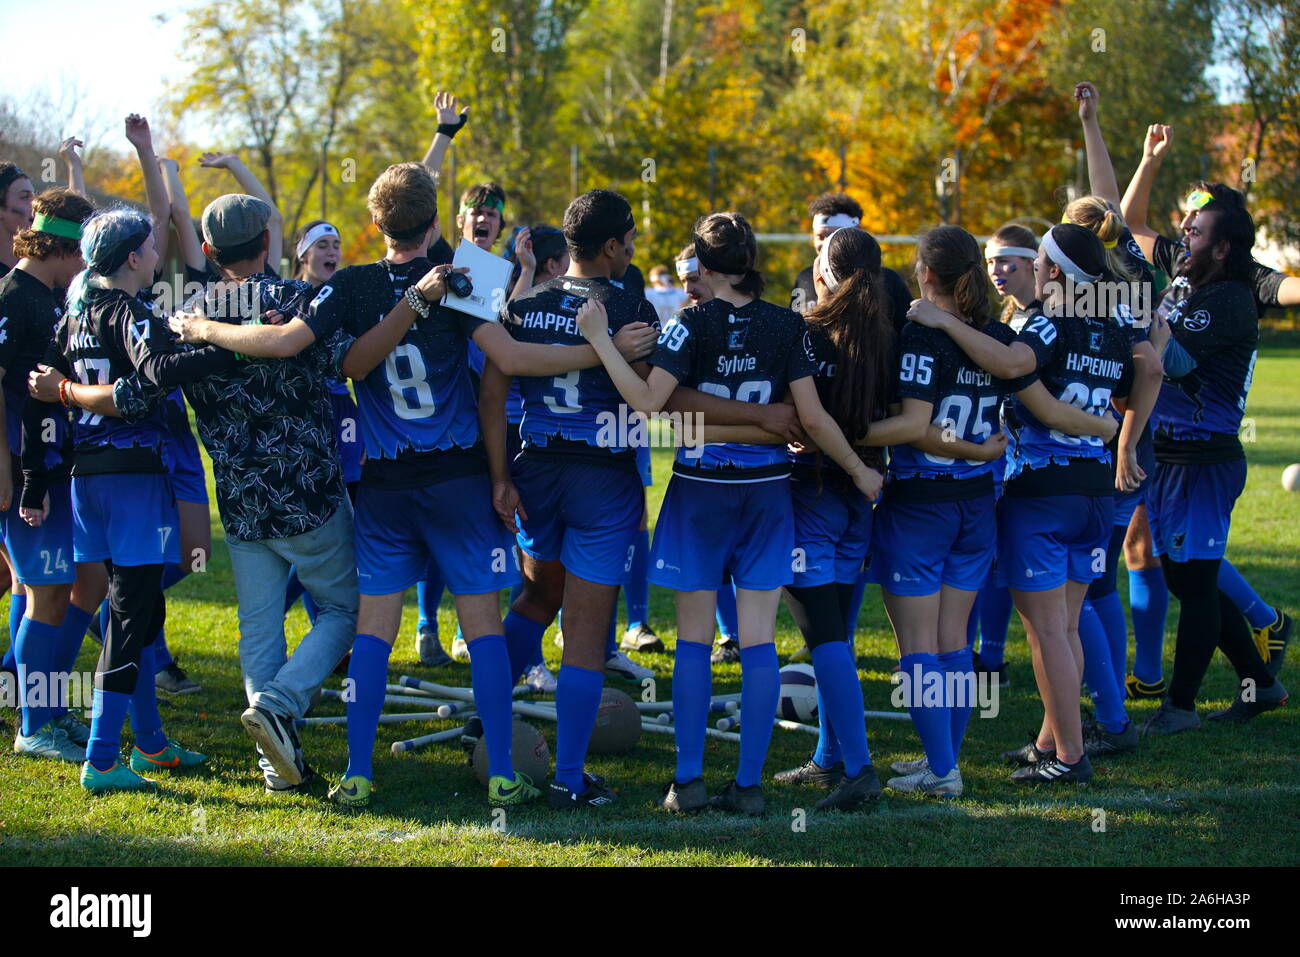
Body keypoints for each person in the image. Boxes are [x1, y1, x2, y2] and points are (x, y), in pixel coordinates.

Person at [176, 165, 654, 808]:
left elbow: (313, 351)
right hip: (459, 476)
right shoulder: (467, 272)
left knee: (374, 628)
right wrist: (600, 351)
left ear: (374, 225)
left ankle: (358, 772)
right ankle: (507, 777)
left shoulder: (349, 283)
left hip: (383, 483)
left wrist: (202, 327)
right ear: (436, 221)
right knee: (482, 623)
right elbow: (507, 365)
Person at [576, 211, 883, 815]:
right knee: (761, 644)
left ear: (706, 266)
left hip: (701, 492)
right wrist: (859, 469)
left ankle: (687, 782)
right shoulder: (786, 325)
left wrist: (599, 342)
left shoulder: (691, 323)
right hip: (767, 494)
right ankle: (748, 786)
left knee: (693, 644)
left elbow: (646, 403)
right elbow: (812, 420)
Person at [58, 195, 361, 794]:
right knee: (348, 610)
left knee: (258, 629)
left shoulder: (184, 315)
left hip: (242, 500)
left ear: (206, 251)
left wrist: (67, 391)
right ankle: (281, 705)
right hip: (310, 493)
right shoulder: (294, 301)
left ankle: (277, 765)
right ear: (268, 245)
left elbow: (150, 390)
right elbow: (345, 363)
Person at [909, 223, 1133, 784]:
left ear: (1051, 270)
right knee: (1066, 625)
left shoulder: (1046, 322)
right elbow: (1148, 368)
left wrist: (941, 321)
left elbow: (1012, 367)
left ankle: (1070, 758)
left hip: (1042, 492)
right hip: (1094, 493)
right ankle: (1051, 740)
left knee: (1048, 632)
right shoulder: (1107, 325)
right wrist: (1117, 432)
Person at [44, 204, 221, 792]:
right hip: (131, 480)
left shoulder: (76, 310)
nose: (155, 254)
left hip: (86, 478)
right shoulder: (123, 309)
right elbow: (156, 376)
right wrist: (230, 346)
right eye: (148, 247)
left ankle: (149, 744)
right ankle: (100, 758)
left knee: (140, 613)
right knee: (128, 615)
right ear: (129, 258)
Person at [1122, 125, 1294, 677]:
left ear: (1222, 238)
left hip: (1203, 448)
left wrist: (1140, 325)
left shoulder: (1239, 280)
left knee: (1187, 572)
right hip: (1166, 444)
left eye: (1196, 220)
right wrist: (1149, 160)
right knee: (1171, 564)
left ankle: (1174, 693)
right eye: (1185, 221)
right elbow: (1130, 223)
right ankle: (1253, 673)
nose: (1185, 226)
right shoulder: (1186, 261)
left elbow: (1288, 289)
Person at [0, 187, 102, 762]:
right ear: (65, 246)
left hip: (54, 467)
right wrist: (3, 470)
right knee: (46, 595)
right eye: (83, 253)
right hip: (23, 476)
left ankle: (46, 708)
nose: (85, 268)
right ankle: (35, 725)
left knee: (66, 589)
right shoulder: (15, 295)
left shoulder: (45, 293)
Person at [673, 244, 741, 663]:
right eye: (683, 280)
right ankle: (730, 635)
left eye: (696, 278)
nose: (689, 288)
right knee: (710, 564)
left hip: (744, 471)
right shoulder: (688, 326)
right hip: (705, 467)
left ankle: (739, 637)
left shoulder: (754, 325)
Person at [0, 163, 35, 278]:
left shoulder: (37, 269)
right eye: (25, 196)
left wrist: (74, 166)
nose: (35, 203)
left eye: (34, 196)